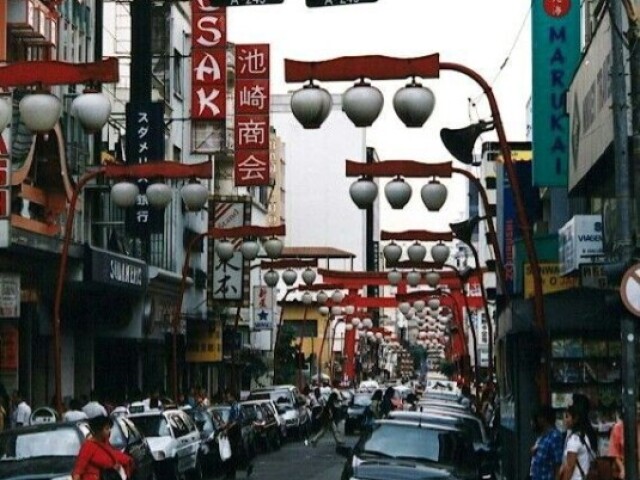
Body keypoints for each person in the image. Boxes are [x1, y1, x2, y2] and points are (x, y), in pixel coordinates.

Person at [72, 415, 134, 480]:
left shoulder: (106, 443)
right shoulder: (88, 446)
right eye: (107, 429)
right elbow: (78, 469)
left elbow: (115, 457)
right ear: (98, 431)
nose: (109, 431)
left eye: (110, 428)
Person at [222, 390, 252, 479]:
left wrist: (227, 429)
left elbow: (235, 421)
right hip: (234, 431)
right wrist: (225, 425)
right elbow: (231, 420)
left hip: (235, 431)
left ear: (232, 397)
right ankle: (231, 473)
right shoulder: (234, 407)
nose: (227, 399)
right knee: (233, 453)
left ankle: (231, 474)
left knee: (233, 453)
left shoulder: (236, 407)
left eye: (228, 397)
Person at [558, 405, 593, 480]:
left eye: (567, 416)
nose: (564, 420)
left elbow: (570, 467)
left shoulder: (574, 440)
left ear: (575, 418)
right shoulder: (583, 437)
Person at [529, 405, 564, 480]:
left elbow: (558, 464)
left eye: (536, 418)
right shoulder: (542, 436)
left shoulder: (555, 437)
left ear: (542, 419)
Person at [608, 403, 640, 479]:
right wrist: (622, 468)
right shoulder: (618, 427)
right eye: (637, 409)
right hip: (625, 467)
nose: (638, 412)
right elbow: (614, 453)